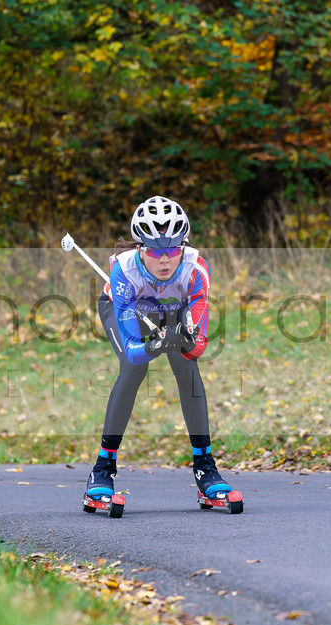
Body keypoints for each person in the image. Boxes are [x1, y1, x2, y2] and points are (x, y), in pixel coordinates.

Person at [85, 195, 232, 504]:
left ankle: (205, 467)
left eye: (172, 250)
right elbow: (133, 351)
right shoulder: (124, 273)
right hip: (127, 309)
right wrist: (156, 345)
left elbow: (199, 347)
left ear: (184, 246)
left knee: (186, 366)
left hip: (173, 308)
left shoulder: (195, 270)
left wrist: (186, 342)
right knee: (134, 369)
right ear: (141, 249)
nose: (165, 260)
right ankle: (103, 467)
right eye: (154, 251)